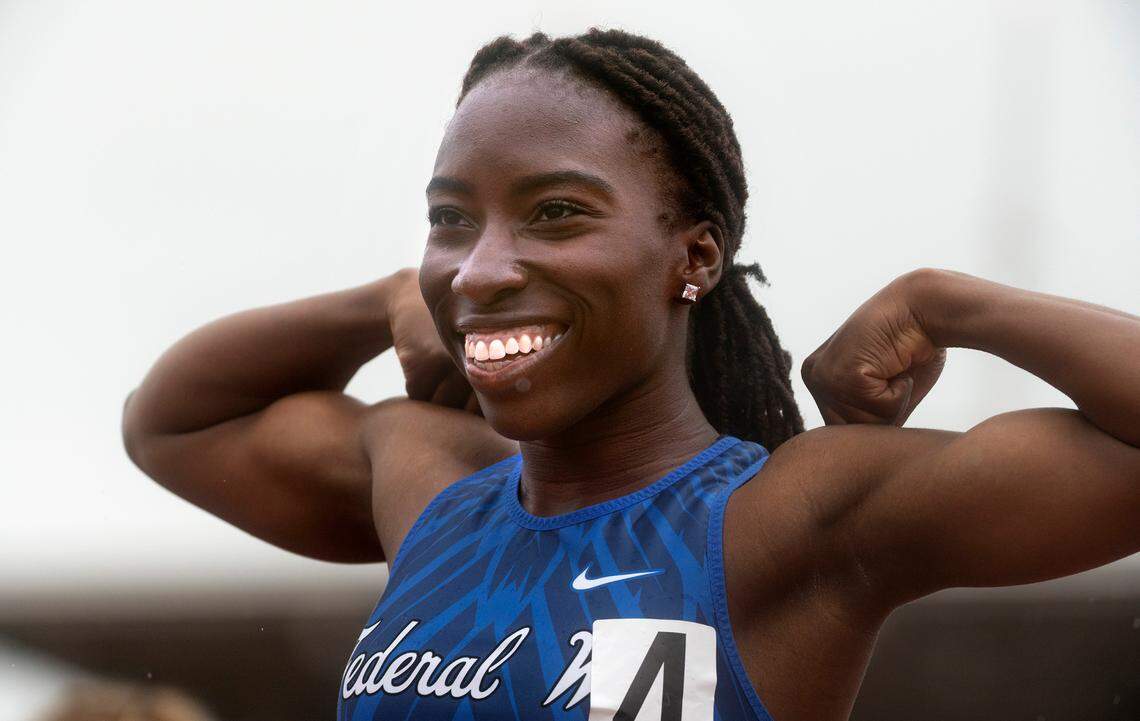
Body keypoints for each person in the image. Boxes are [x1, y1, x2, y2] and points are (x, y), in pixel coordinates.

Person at [121, 28, 1140, 721]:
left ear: (692, 258)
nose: (480, 267)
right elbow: (169, 422)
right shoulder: (431, 484)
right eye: (450, 219)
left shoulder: (788, 518)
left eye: (556, 211)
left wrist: (947, 302)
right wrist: (381, 298)